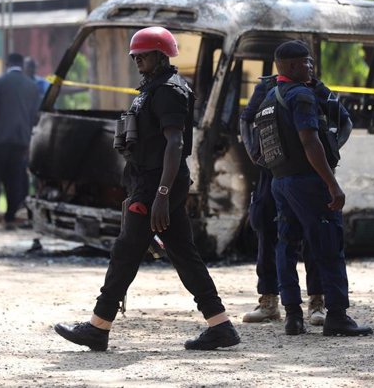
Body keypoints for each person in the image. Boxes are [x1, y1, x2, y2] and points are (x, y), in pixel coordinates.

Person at [54, 26, 240, 351]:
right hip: (149, 181)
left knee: (126, 252)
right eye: (135, 56)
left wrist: (162, 196)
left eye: (144, 54)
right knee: (184, 255)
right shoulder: (151, 89)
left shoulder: (169, 90)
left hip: (158, 184)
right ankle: (220, 324)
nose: (138, 60)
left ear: (160, 54)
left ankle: (98, 326)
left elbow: (175, 143)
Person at [254, 40, 372, 336]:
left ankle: (293, 316)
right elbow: (310, 140)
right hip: (308, 181)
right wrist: (332, 184)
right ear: (292, 66)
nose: (311, 67)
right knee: (329, 246)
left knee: (286, 246)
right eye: (306, 62)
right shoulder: (302, 96)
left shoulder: (269, 97)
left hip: (280, 182)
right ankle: (337, 316)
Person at [240, 67, 352, 330]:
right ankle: (270, 301)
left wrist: (330, 151)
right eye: (304, 62)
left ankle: (316, 303)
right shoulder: (268, 89)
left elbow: (344, 121)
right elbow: (246, 120)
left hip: (308, 171)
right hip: (274, 172)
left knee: (315, 237)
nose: (309, 67)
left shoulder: (316, 90)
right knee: (271, 233)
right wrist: (256, 154)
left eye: (311, 62)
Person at [0, 53, 39, 230]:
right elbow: (34, 117)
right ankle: (11, 217)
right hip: (20, 141)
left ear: (7, 63)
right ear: (22, 65)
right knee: (14, 180)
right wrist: (28, 140)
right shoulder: (32, 86)